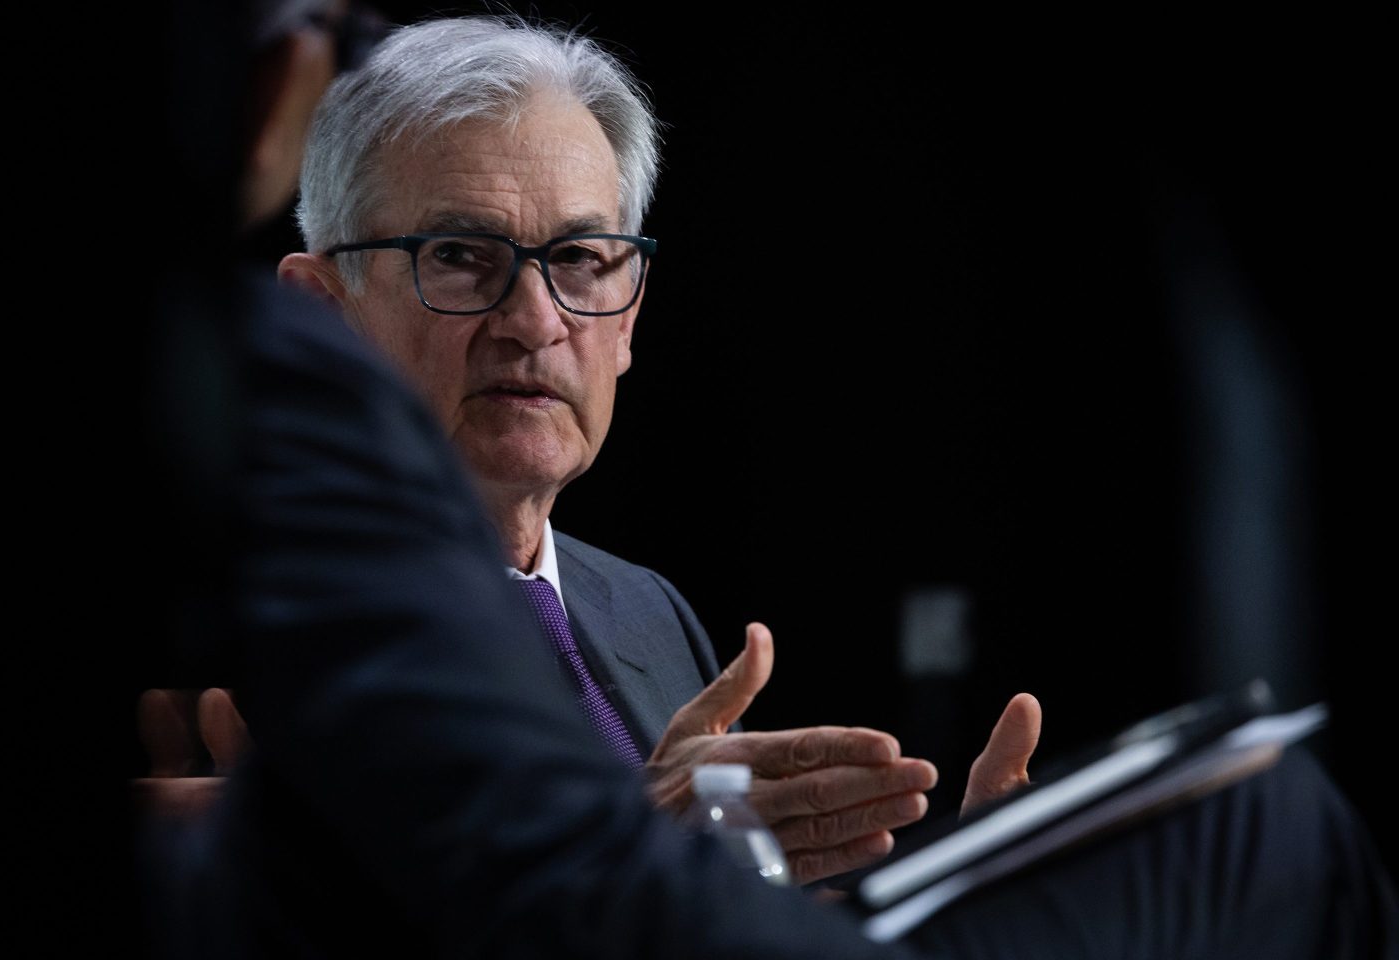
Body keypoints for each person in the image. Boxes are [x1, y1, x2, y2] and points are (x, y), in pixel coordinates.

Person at [275, 14, 1042, 884]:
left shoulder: (647, 612)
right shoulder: (239, 617)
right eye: (458, 256)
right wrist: (626, 847)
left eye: (578, 259)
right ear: (322, 314)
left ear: (629, 318)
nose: (534, 321)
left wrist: (952, 897)